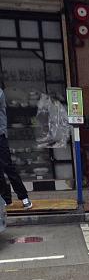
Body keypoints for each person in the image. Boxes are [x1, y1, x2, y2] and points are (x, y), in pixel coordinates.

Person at [0, 81, 32, 209]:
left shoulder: (0, 93)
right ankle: (6, 200)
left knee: (8, 167)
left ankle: (24, 197)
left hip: (0, 137)